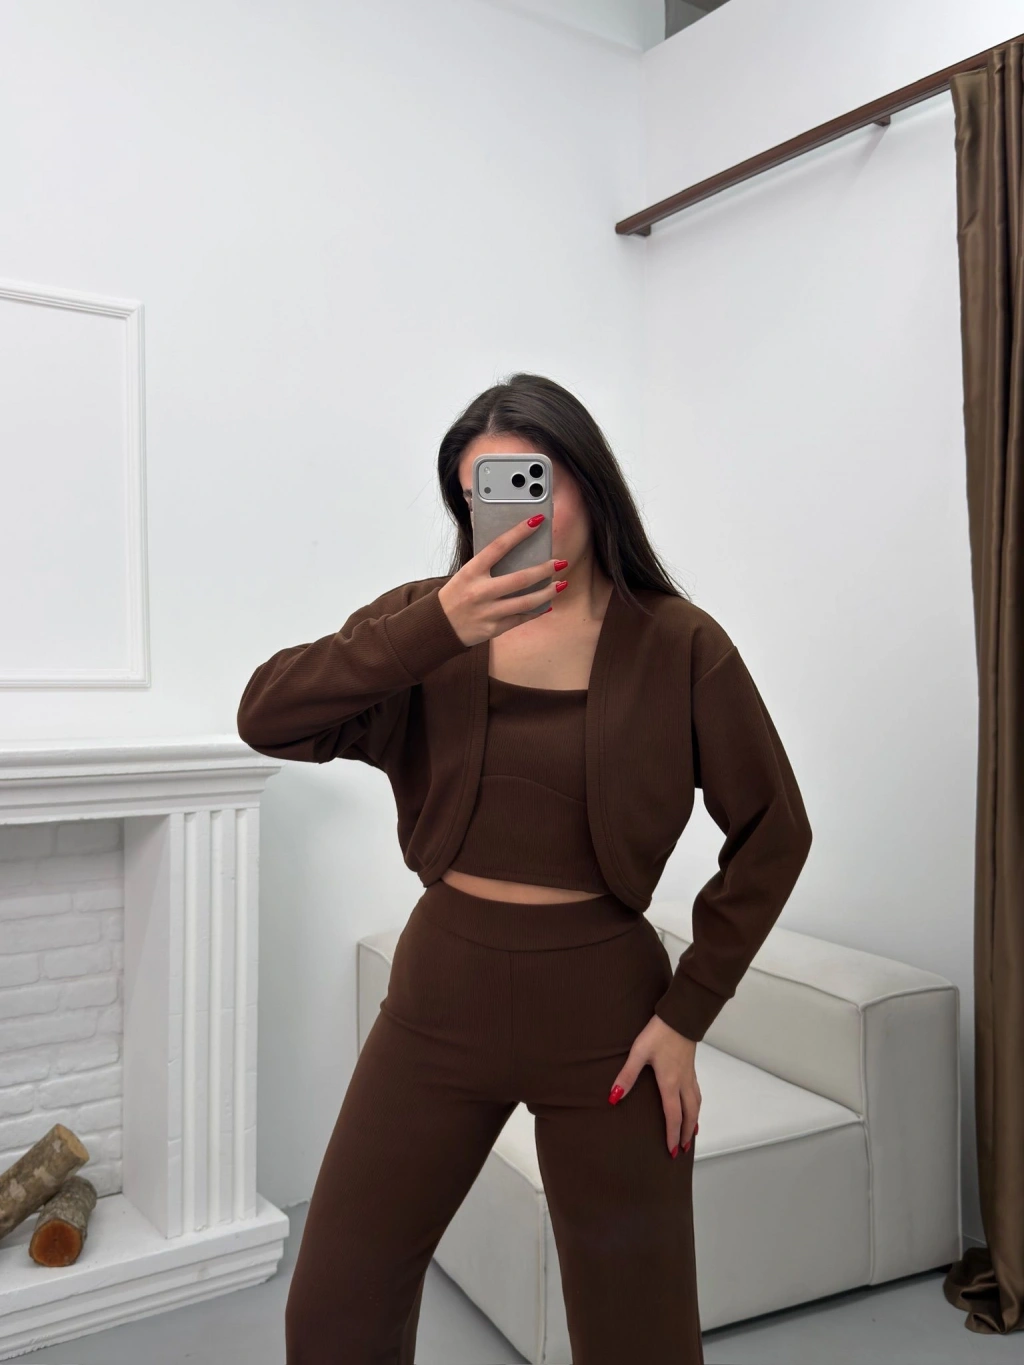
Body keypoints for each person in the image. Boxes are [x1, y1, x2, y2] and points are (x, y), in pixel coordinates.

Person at [237, 373, 813, 1364]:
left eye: (533, 478)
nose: (514, 509)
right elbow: (267, 716)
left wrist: (687, 1016)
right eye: (483, 492)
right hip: (439, 999)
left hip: (609, 1022)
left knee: (638, 1338)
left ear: (587, 478)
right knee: (334, 1311)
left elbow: (774, 830)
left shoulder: (679, 643)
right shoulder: (424, 628)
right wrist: (433, 629)